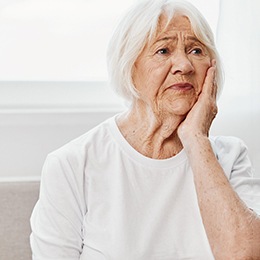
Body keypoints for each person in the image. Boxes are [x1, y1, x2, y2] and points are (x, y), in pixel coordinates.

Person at [30, 0, 260, 259]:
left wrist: (196, 140)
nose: (184, 65)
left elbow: (245, 254)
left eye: (196, 50)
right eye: (163, 50)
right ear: (129, 66)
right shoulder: (72, 164)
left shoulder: (231, 157)